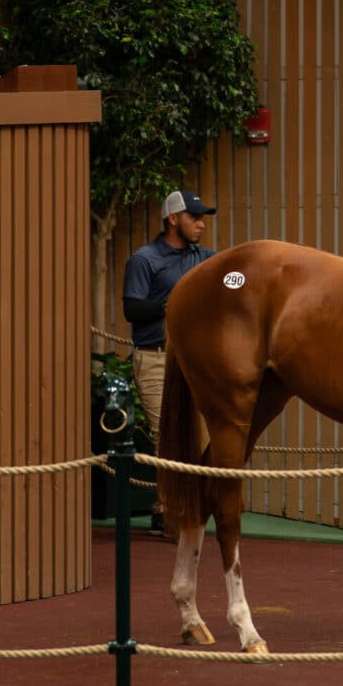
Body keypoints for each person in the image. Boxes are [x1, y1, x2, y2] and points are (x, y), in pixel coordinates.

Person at [123, 189, 217, 536]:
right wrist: (178, 302)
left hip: (193, 362)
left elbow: (233, 279)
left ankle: (173, 509)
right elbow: (132, 309)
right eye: (194, 217)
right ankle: (172, 513)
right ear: (172, 219)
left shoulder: (205, 258)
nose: (201, 224)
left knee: (202, 438)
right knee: (169, 438)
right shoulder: (144, 259)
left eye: (203, 218)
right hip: (155, 360)